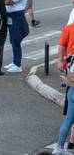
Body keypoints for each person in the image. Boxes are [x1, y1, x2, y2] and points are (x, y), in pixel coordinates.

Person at [54, 23, 74, 154]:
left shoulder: (70, 28)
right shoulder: (70, 28)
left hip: (72, 86)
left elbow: (62, 46)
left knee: (69, 119)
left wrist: (61, 61)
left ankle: (59, 147)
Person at [4, 0, 29, 73]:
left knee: (16, 41)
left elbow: (7, 2)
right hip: (10, 16)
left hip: (17, 17)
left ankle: (17, 65)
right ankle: (14, 62)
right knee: (12, 40)